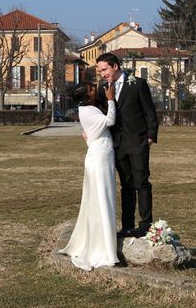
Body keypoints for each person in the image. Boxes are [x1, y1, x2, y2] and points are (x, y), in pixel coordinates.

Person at [96, 53, 158, 238]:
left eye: (104, 70)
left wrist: (150, 137)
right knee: (126, 186)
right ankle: (128, 226)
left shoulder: (138, 84)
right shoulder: (102, 88)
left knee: (142, 183)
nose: (102, 74)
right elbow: (101, 115)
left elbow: (150, 112)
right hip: (117, 145)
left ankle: (146, 225)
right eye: (100, 71)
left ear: (115, 66)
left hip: (138, 142)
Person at [59, 81, 119, 271]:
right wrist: (111, 101)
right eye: (91, 89)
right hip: (100, 157)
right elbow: (110, 121)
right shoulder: (89, 111)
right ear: (86, 96)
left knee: (102, 198)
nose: (95, 89)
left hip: (101, 154)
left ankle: (105, 239)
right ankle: (104, 248)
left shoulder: (88, 109)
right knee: (102, 198)